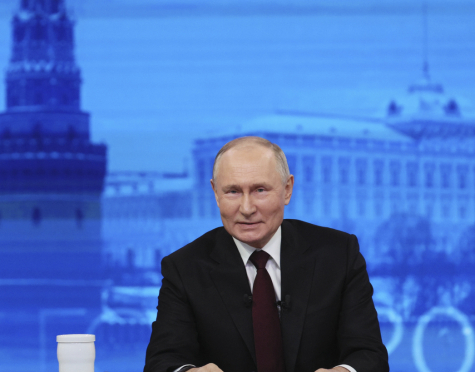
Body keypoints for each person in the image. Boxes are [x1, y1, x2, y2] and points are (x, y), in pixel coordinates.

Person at [144, 136, 388, 372]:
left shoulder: (339, 254)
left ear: (287, 190)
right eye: (232, 191)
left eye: (260, 190)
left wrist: (344, 371)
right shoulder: (184, 268)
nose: (247, 208)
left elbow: (370, 355)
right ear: (216, 193)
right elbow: (162, 361)